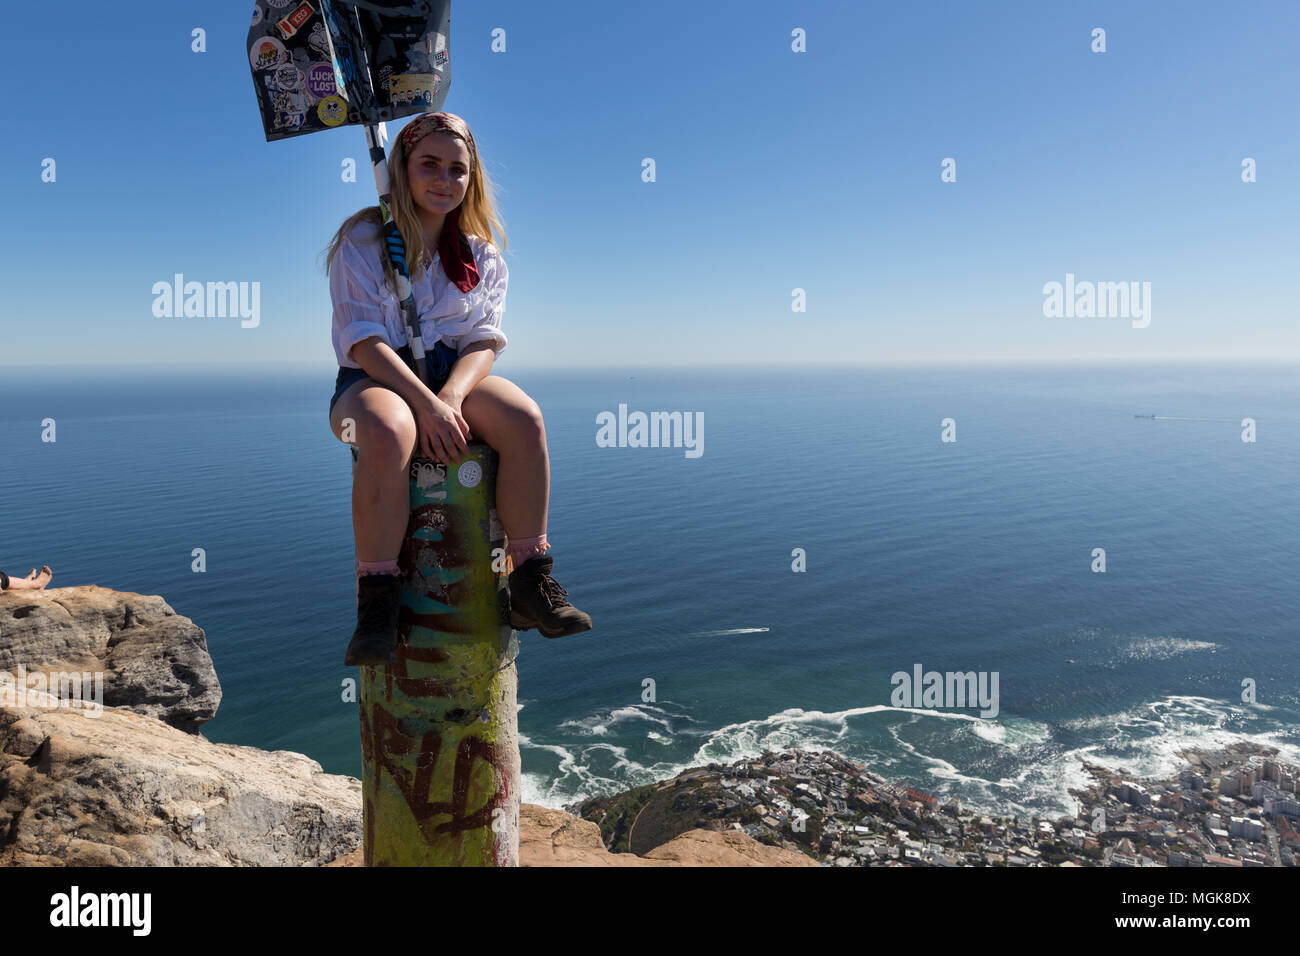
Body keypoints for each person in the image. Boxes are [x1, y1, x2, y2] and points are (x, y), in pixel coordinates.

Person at [323, 111, 593, 667]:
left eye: (457, 169)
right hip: (375, 377)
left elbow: (483, 343)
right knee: (385, 427)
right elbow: (363, 340)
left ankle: (528, 581)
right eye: (429, 165)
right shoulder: (365, 239)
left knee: (525, 420)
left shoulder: (481, 255)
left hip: (454, 376)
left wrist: (447, 398)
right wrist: (422, 404)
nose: (444, 180)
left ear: (473, 179)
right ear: (402, 167)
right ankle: (377, 601)